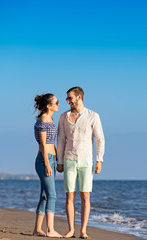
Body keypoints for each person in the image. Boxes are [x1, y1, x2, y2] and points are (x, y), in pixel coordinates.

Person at [57, 87, 105, 239]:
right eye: (67, 99)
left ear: (79, 97)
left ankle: (83, 230)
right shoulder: (64, 117)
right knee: (69, 196)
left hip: (86, 160)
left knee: (85, 196)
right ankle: (71, 230)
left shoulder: (93, 116)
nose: (68, 101)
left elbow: (99, 139)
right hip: (69, 159)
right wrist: (59, 161)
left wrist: (99, 160)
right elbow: (60, 140)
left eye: (70, 98)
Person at [33, 93, 62, 238]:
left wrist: (57, 159)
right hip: (44, 160)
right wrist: (47, 164)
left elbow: (51, 143)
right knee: (52, 195)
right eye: (56, 102)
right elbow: (43, 145)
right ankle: (50, 229)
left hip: (51, 159)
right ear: (49, 106)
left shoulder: (50, 118)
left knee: (45, 195)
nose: (58, 104)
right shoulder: (44, 119)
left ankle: (37, 229)